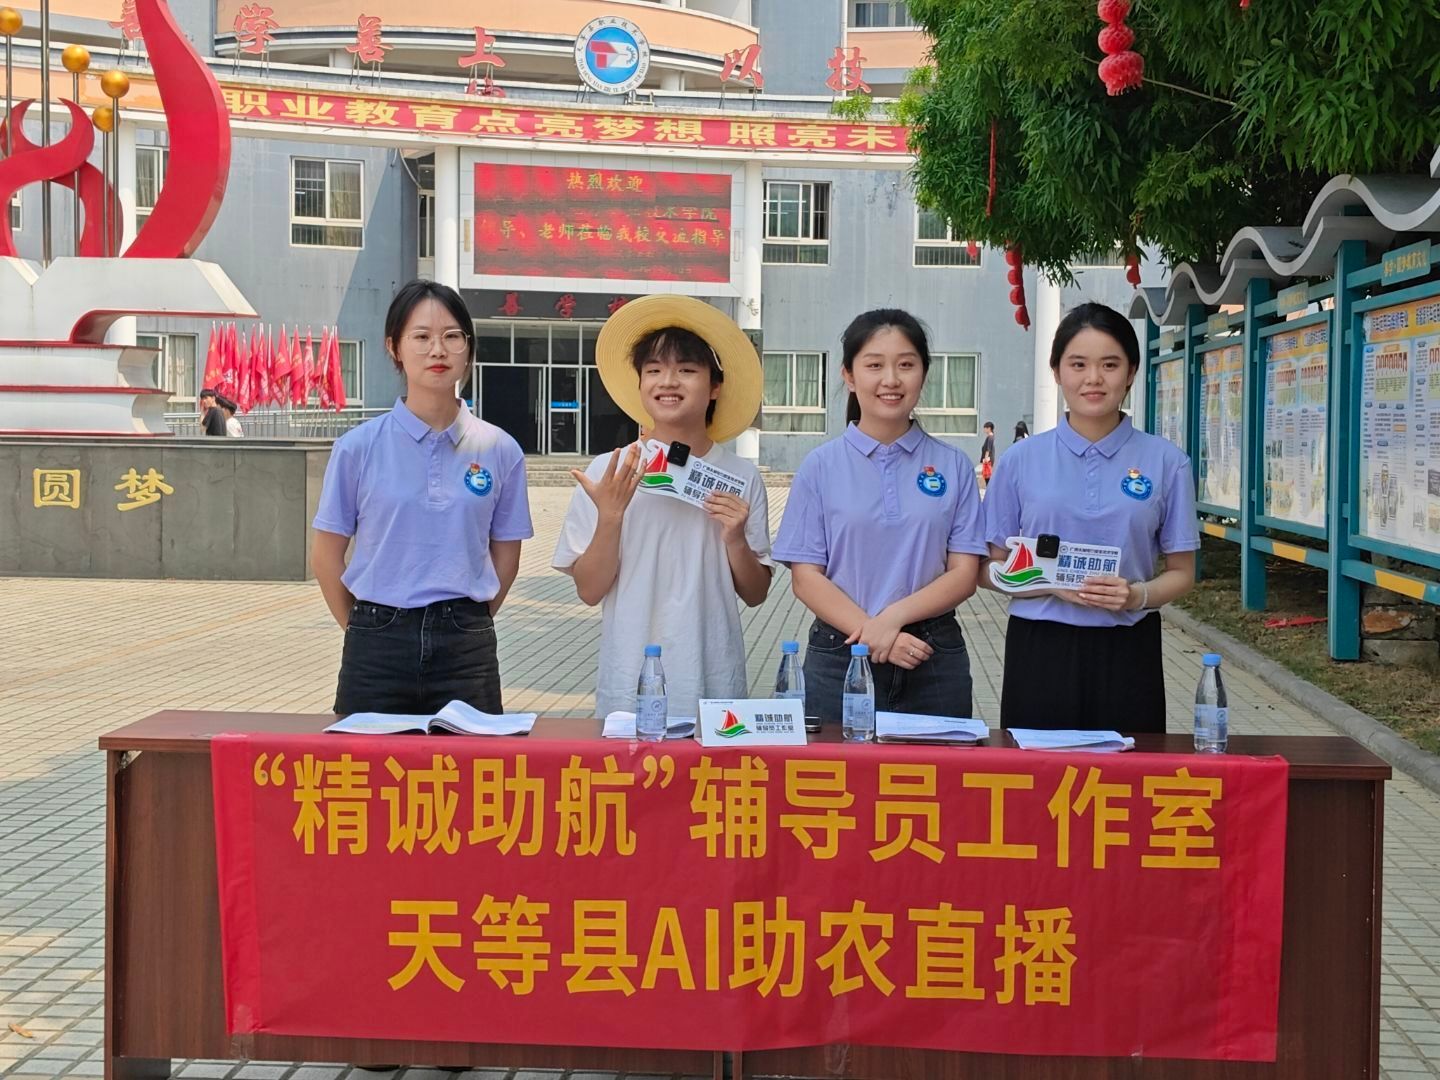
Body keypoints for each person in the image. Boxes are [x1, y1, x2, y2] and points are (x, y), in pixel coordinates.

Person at [311, 280, 533, 715]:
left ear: (467, 348)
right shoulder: (358, 447)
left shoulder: (500, 449)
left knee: (470, 759)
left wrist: (469, 623)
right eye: (421, 337)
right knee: (366, 759)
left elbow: (506, 555)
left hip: (466, 648)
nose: (438, 350)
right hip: (376, 645)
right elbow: (325, 555)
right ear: (394, 347)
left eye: (452, 336)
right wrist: (361, 630)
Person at [553, 294, 772, 719]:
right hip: (629, 680)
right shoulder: (609, 471)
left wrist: (735, 539)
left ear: (715, 387)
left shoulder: (741, 476)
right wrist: (610, 516)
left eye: (686, 370)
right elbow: (589, 591)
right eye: (653, 370)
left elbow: (756, 593)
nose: (668, 382)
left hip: (713, 678)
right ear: (640, 384)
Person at [983, 302, 1199, 732]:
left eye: (1110, 364)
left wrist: (1135, 595)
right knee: (1036, 767)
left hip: (1129, 645)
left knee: (1126, 767)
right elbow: (988, 569)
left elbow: (1183, 572)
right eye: (1078, 364)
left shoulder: (1167, 462)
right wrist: (1050, 583)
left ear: (1131, 372)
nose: (1093, 378)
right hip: (1039, 644)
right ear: (1057, 371)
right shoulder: (1021, 460)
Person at [772, 309, 987, 722]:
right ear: (849, 376)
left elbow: (964, 574)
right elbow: (805, 577)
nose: (891, 379)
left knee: (938, 766)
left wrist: (892, 621)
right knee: (835, 766)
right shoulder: (820, 466)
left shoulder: (954, 465)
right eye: (874, 365)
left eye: (906, 365)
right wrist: (873, 634)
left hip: (930, 654)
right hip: (839, 654)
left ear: (923, 373)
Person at [979, 420, 996, 491]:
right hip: (988, 458)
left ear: (989, 428)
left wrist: (985, 459)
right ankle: (988, 488)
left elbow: (988, 449)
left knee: (987, 474)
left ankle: (989, 488)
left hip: (988, 459)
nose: (984, 429)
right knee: (986, 474)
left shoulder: (990, 437)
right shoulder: (991, 436)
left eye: (985, 428)